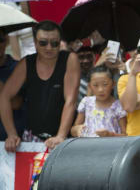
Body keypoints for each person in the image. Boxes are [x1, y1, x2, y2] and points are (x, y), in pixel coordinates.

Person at [0, 20, 80, 152]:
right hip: (32, 138)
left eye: (54, 43)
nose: (49, 47)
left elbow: (70, 100)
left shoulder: (70, 59)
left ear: (60, 43)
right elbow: (4, 97)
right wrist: (11, 134)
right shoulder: (26, 63)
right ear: (35, 43)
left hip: (63, 137)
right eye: (43, 43)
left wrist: (61, 136)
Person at [71, 65, 126, 137]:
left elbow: (124, 135)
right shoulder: (86, 103)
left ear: (113, 84)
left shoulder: (118, 106)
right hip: (88, 146)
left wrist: (110, 135)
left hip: (111, 146)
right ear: (90, 86)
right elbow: (73, 130)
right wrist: (77, 129)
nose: (100, 89)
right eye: (95, 85)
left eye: (105, 84)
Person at [0, 28, 24, 141]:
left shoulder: (17, 68)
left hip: (14, 142)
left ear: (7, 40)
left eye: (0, 39)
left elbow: (16, 103)